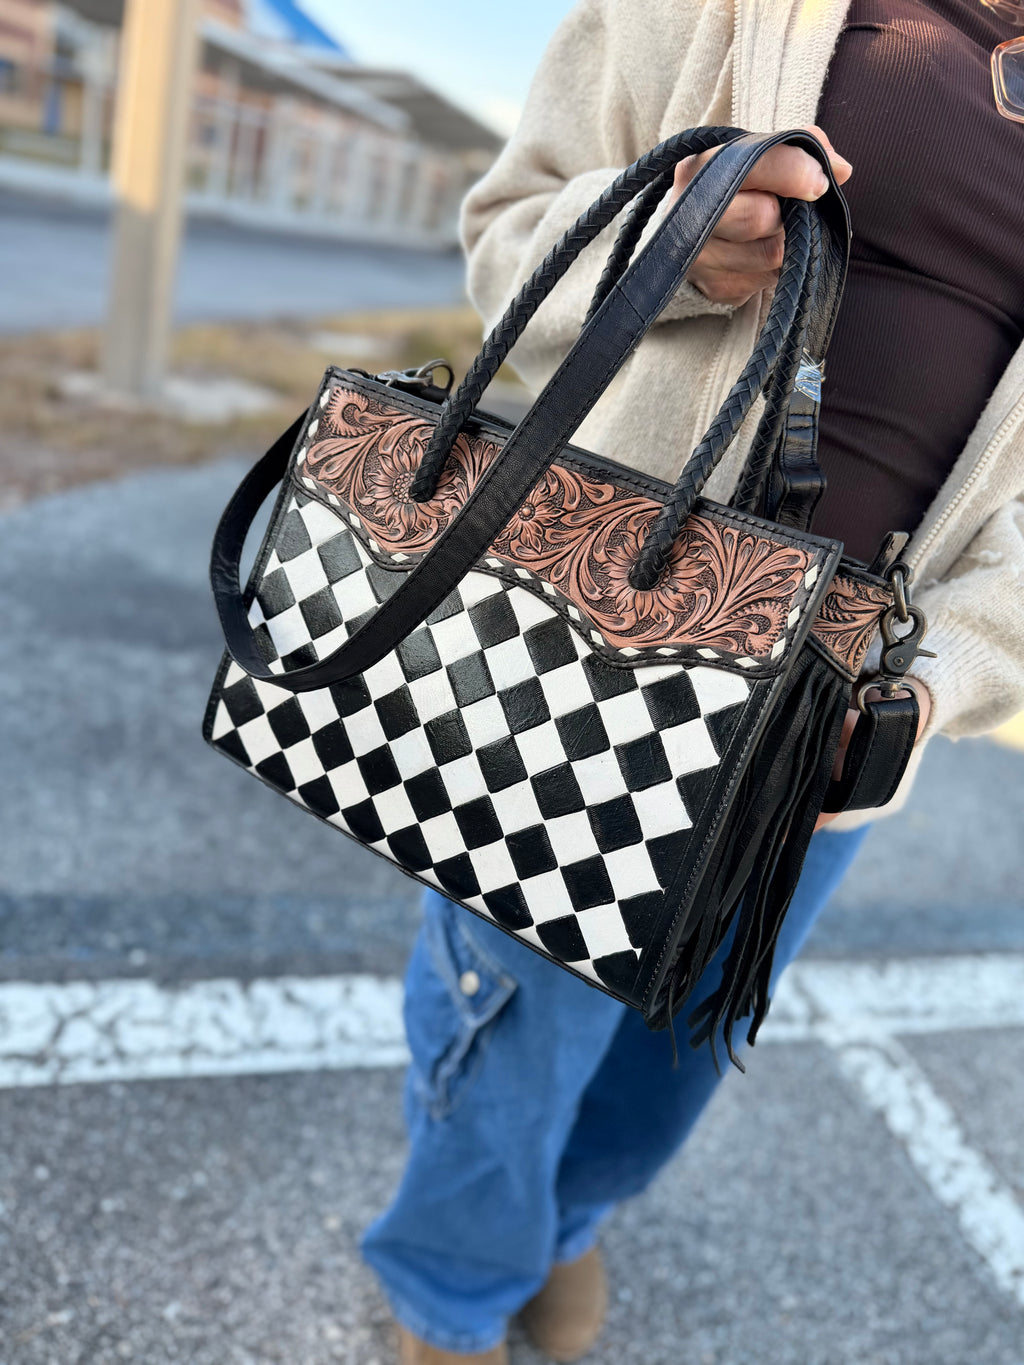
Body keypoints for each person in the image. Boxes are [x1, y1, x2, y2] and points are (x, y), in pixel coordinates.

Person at [361, 2, 1024, 1361]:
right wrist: (678, 252)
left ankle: (566, 1222)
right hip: (593, 636)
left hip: (845, 710)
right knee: (512, 1020)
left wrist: (941, 680)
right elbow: (509, 238)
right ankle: (448, 1284)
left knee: (678, 1049)